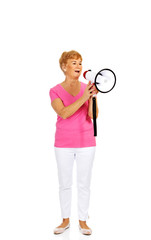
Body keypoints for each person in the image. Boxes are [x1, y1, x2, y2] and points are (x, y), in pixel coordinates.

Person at [49, 50, 99, 235]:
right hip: (63, 144)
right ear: (64, 67)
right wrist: (84, 97)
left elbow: (93, 115)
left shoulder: (87, 88)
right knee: (65, 183)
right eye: (74, 63)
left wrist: (93, 97)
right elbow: (63, 112)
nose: (79, 66)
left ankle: (83, 221)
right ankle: (65, 221)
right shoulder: (54, 90)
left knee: (84, 183)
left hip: (86, 142)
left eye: (80, 62)